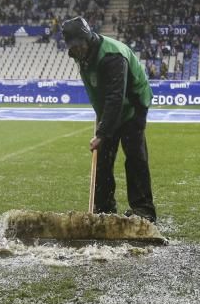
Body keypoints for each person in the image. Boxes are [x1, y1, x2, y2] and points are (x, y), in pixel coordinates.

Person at [61, 16, 157, 222]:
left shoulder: (112, 56)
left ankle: (144, 211)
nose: (76, 51)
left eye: (79, 45)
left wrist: (102, 133)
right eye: (73, 47)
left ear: (87, 39)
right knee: (103, 158)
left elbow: (116, 96)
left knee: (135, 157)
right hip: (109, 110)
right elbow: (100, 93)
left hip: (133, 105)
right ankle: (104, 208)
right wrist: (101, 122)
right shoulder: (81, 55)